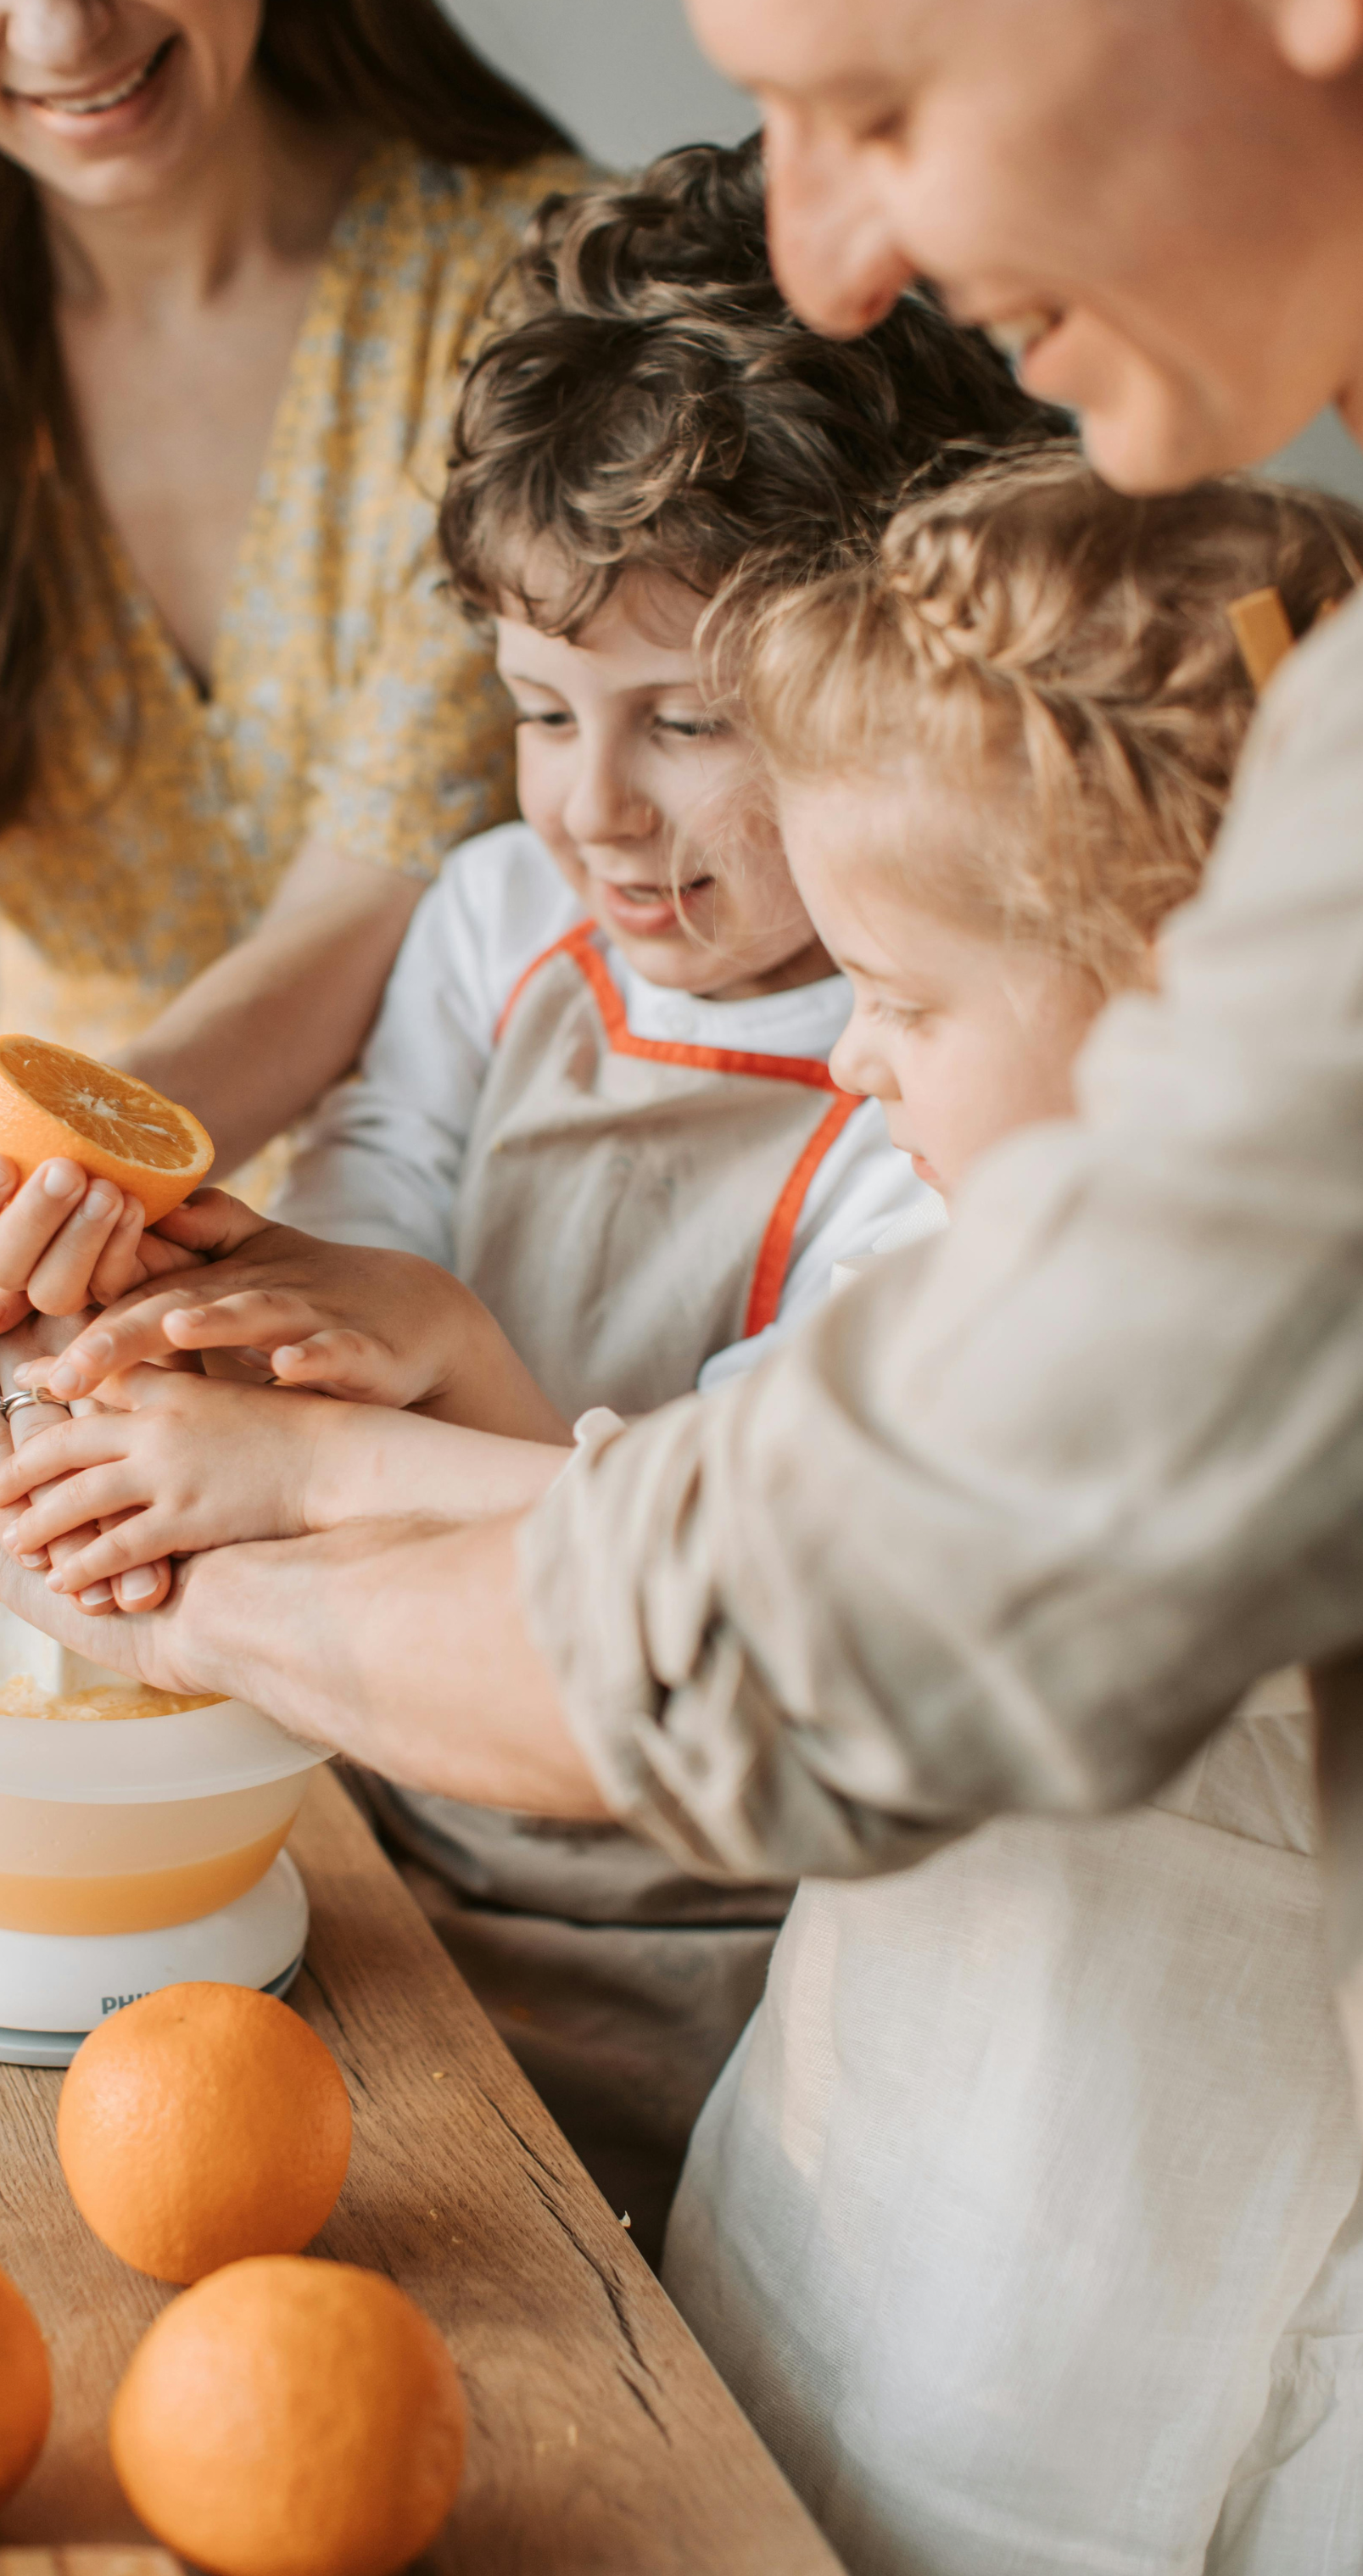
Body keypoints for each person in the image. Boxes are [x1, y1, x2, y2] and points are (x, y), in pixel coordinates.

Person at [0, 0, 1363, 2114]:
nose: (840, 251)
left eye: (873, 105)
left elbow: (834, 1611)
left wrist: (216, 1559)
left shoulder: (1081, 1008)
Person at [0, 145, 1055, 2250]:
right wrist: (184, 1332)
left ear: (888, 687)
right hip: (364, 1817)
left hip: (697, 1948)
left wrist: (418, 1365)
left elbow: (734, 1539)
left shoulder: (934, 1082)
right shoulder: (491, 923)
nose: (591, 805)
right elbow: (367, 1212)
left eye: (686, 723)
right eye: (539, 709)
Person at [658, 447, 1363, 2576]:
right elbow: (712, 1489)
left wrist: (311, 1503)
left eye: (898, 996)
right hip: (822, 2254)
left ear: (1167, 999)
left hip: (1087, 2408)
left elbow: (796, 1601)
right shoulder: (961, 1259)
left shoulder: (1244, 1402)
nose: (851, 1064)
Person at [0, 0, 589, 1460]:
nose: (58, 29)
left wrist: (20, 1216)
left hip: (477, 1253)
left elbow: (361, 910)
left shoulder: (525, 294)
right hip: (52, 1281)